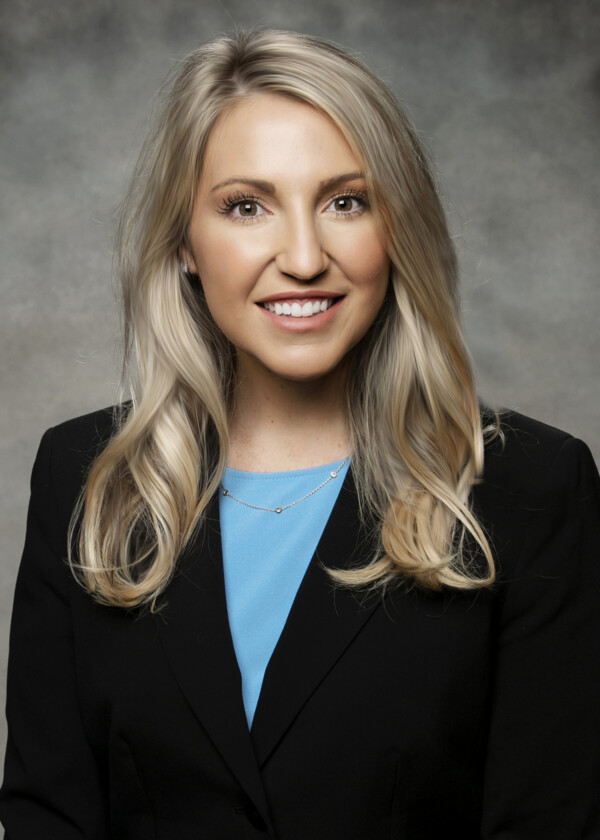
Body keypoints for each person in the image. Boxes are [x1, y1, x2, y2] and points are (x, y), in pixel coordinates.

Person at [1, 29, 599, 840]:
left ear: (398, 227)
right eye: (247, 207)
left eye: (346, 201)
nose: (305, 256)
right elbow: (48, 817)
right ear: (185, 240)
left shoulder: (534, 489)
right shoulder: (84, 477)